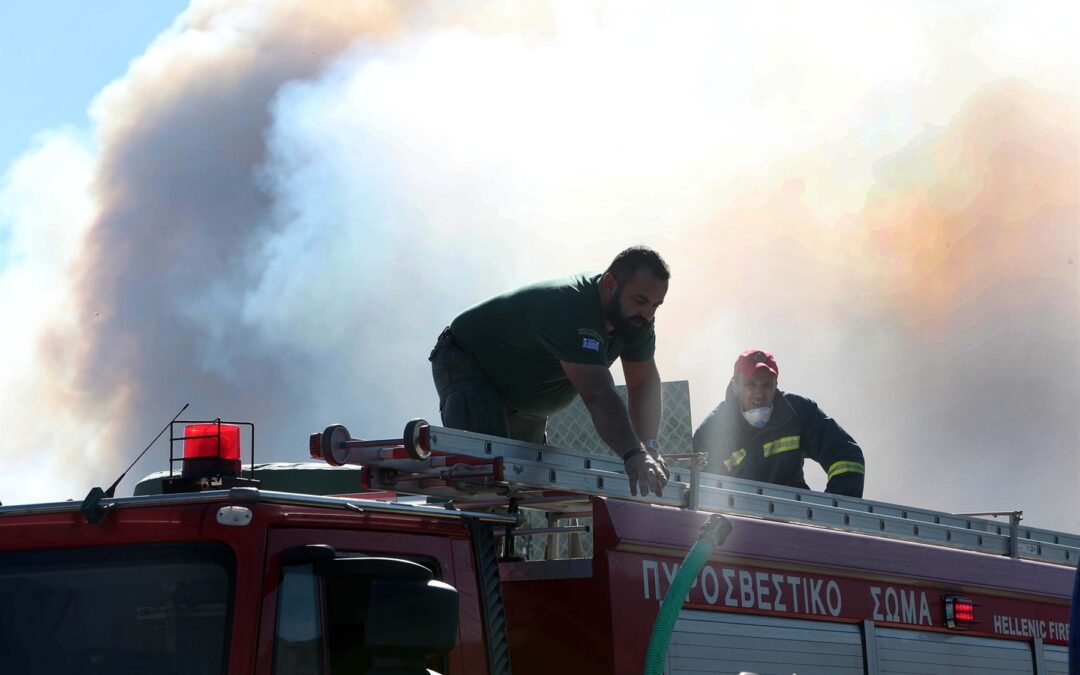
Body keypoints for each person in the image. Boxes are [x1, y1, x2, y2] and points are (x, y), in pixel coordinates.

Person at [429, 246, 670, 497]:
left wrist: (649, 448)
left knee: (522, 487)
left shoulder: (637, 320)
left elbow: (642, 383)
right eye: (640, 301)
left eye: (656, 305)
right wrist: (633, 453)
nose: (648, 314)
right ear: (610, 284)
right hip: (471, 364)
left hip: (524, 393)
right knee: (486, 480)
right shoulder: (572, 308)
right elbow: (597, 393)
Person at [692, 348, 865, 497]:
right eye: (751, 384)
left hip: (793, 515)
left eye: (766, 385)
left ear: (776, 385)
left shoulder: (798, 412)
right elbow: (701, 495)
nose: (759, 394)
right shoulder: (712, 433)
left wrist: (834, 509)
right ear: (735, 386)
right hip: (737, 518)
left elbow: (846, 455)